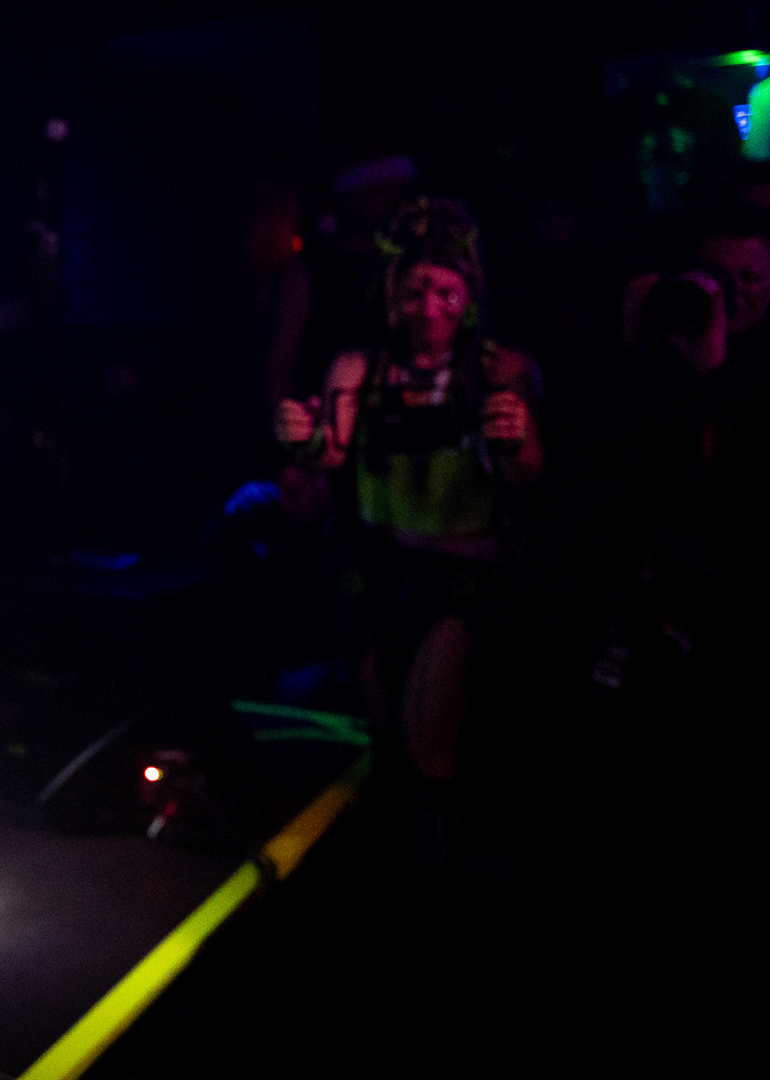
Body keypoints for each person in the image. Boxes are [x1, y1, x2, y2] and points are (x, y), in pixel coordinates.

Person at [275, 197, 543, 873]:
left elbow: (529, 475)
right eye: (416, 291)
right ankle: (392, 879)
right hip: (379, 572)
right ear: (391, 294)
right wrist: (301, 440)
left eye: (445, 293)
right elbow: (330, 455)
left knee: (431, 739)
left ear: (469, 298)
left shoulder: (499, 369)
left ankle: (441, 891)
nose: (429, 309)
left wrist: (516, 438)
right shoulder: (358, 369)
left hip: (462, 579)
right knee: (389, 738)